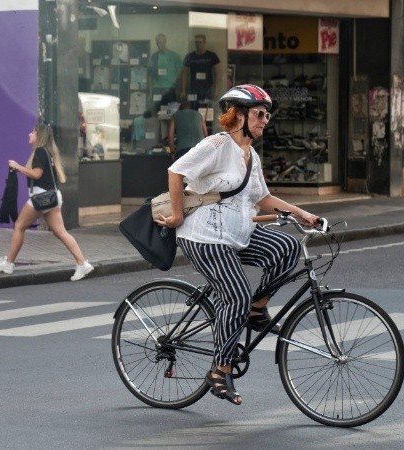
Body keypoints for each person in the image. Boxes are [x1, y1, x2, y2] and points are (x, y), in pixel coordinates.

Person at [154, 84, 320, 406]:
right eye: (259, 113)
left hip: (238, 234)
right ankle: (220, 369)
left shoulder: (251, 155)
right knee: (237, 293)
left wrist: (302, 214)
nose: (264, 120)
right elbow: (176, 172)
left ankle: (257, 311)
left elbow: (262, 197)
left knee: (286, 249)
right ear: (240, 114)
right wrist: (176, 215)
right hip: (204, 238)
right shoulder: (217, 145)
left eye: (267, 115)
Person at [0, 121, 94, 282]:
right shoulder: (48, 152)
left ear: (39, 135)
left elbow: (36, 174)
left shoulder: (39, 151)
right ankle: (82, 263)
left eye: (32, 132)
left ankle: (8, 263)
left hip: (41, 198)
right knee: (60, 232)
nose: (29, 134)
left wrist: (17, 166)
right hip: (52, 197)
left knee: (19, 226)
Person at [178, 34, 221, 109]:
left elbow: (217, 73)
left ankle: (206, 121)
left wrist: (216, 89)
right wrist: (184, 90)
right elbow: (184, 73)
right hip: (194, 88)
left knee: (207, 110)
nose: (198, 44)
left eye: (200, 42)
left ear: (204, 42)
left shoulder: (211, 55)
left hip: (207, 88)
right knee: (194, 109)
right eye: (196, 42)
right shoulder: (190, 56)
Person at [148, 34, 182, 108]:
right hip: (157, 88)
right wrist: (150, 92)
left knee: (171, 112)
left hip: (170, 88)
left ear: (165, 42)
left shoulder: (174, 56)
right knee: (158, 112)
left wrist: (176, 85)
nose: (159, 44)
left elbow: (180, 72)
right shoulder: (154, 57)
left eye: (160, 42)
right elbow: (150, 75)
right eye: (157, 42)